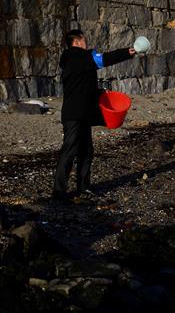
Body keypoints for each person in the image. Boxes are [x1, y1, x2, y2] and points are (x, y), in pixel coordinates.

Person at [54, 30, 136, 200]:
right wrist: (127, 52)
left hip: (81, 112)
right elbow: (105, 59)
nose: (87, 42)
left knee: (86, 151)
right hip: (74, 114)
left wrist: (99, 92)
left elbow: (81, 86)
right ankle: (59, 192)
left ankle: (83, 187)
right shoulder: (80, 57)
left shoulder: (72, 60)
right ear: (77, 41)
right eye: (85, 39)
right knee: (70, 150)